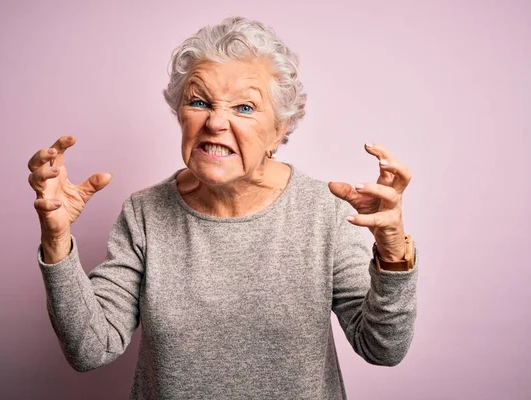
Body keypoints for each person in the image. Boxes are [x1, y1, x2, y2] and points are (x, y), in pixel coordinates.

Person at [28, 17, 418, 400]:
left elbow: (382, 348)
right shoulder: (144, 212)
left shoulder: (324, 213)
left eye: (244, 108)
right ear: (180, 114)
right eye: (199, 101)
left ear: (280, 129)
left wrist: (393, 253)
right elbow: (91, 348)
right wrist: (57, 241)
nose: (215, 122)